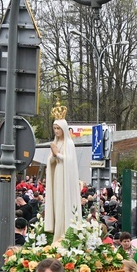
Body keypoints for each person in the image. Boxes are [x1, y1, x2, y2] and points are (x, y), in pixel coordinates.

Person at [45, 103, 81, 241]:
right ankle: (57, 234)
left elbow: (69, 161)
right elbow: (51, 161)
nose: (56, 131)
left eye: (58, 128)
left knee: (64, 204)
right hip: (57, 176)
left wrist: (57, 154)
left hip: (66, 177)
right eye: (54, 128)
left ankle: (65, 233)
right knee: (57, 203)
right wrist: (53, 156)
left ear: (64, 129)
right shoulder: (56, 142)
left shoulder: (69, 144)